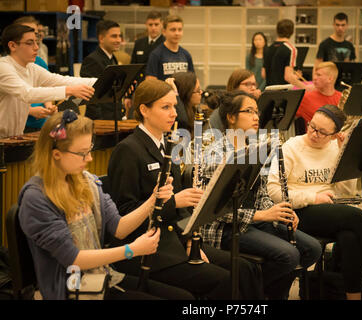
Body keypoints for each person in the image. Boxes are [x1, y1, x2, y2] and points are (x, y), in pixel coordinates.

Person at [107, 78, 264, 300]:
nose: (174, 113)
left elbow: (181, 212)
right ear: (144, 110)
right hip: (149, 249)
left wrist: (189, 240)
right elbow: (124, 213)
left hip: (175, 241)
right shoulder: (128, 150)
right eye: (165, 107)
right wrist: (174, 202)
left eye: (174, 105)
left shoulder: (167, 145)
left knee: (247, 269)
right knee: (225, 280)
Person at [18, 110, 195, 300]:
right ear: (56, 154)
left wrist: (153, 200)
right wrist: (131, 250)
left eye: (90, 150)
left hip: (102, 278)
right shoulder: (36, 199)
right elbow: (73, 258)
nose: (89, 159)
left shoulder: (87, 182)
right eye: (82, 153)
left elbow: (119, 228)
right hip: (71, 289)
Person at [267, 104, 362, 300]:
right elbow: (273, 191)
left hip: (331, 212)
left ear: (334, 135)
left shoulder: (335, 147)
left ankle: (354, 297)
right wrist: (313, 198)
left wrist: (344, 155)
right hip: (299, 212)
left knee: (350, 237)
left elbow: (346, 192)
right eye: (312, 126)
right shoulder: (290, 147)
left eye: (322, 132)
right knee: (358, 217)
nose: (313, 134)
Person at [200, 90, 322, 299]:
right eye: (249, 111)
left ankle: (258, 292)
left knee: (312, 248)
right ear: (231, 117)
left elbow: (262, 194)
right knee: (289, 255)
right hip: (226, 227)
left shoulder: (256, 148)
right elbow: (216, 210)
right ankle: (249, 293)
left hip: (254, 221)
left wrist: (280, 212)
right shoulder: (216, 153)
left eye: (257, 112)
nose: (257, 117)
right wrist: (264, 216)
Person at [0, 23, 96, 139]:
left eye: (36, 42)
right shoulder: (3, 67)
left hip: (13, 137)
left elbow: (61, 80)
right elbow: (27, 93)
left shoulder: (31, 68)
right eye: (30, 43)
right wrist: (69, 90)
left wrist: (105, 80)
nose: (36, 47)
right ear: (12, 46)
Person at [13, 16, 57, 132]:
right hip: (19, 126)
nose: (34, 37)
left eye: (36, 33)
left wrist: (49, 106)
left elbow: (46, 88)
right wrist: (30, 111)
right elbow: (8, 102)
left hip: (41, 124)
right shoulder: (7, 66)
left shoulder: (39, 62)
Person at [80, 20, 127, 120]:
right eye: (114, 36)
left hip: (114, 118)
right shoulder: (92, 60)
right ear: (101, 38)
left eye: (120, 36)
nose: (119, 40)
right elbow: (91, 96)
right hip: (102, 122)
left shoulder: (112, 58)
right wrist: (100, 122)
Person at [146, 15, 194, 81]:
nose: (177, 33)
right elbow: (150, 80)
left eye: (179, 30)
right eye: (173, 30)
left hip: (183, 91)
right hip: (164, 91)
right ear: (164, 32)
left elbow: (193, 80)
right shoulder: (156, 54)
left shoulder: (186, 54)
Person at [262, 19, 307, 90]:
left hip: (268, 91)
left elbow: (264, 74)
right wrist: (306, 87)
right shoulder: (291, 49)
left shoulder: (267, 49)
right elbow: (288, 77)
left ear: (277, 31)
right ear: (292, 32)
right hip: (283, 92)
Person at [170, 71, 203, 136]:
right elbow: (182, 120)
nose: (201, 92)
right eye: (198, 90)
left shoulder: (194, 110)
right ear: (187, 93)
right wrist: (175, 93)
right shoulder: (177, 118)